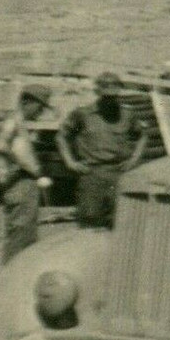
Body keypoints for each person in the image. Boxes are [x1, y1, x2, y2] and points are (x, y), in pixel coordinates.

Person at [57, 72, 147, 228]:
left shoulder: (127, 115)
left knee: (120, 222)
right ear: (97, 92)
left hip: (119, 173)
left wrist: (134, 160)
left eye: (113, 96)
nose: (110, 100)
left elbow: (142, 136)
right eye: (106, 96)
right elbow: (62, 136)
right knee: (90, 221)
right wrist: (70, 162)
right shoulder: (83, 114)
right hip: (92, 174)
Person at [0, 84, 54, 262]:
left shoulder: (20, 123)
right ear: (28, 102)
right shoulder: (13, 120)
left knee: (27, 233)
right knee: (20, 233)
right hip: (21, 182)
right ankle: (12, 273)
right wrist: (20, 165)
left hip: (27, 182)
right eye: (39, 107)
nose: (40, 112)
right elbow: (0, 146)